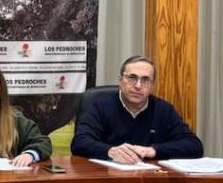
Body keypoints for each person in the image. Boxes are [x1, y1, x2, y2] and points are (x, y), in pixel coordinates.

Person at [71, 55, 203, 163]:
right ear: (120, 80)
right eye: (132, 78)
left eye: (145, 80)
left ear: (152, 86)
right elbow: (79, 142)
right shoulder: (101, 106)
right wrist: (110, 151)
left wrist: (153, 150)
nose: (138, 86)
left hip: (151, 181)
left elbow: (194, 146)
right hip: (108, 179)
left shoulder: (164, 110)